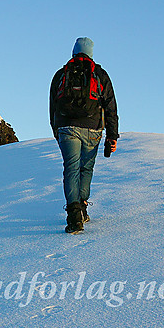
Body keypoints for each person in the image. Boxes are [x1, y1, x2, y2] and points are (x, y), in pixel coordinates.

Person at [49, 37, 119, 233]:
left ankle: (74, 218)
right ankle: (83, 208)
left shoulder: (61, 74)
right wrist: (112, 136)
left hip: (66, 128)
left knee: (71, 169)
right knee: (86, 168)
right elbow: (111, 107)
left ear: (73, 52)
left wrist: (57, 131)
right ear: (91, 53)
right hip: (92, 128)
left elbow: (52, 107)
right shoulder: (99, 74)